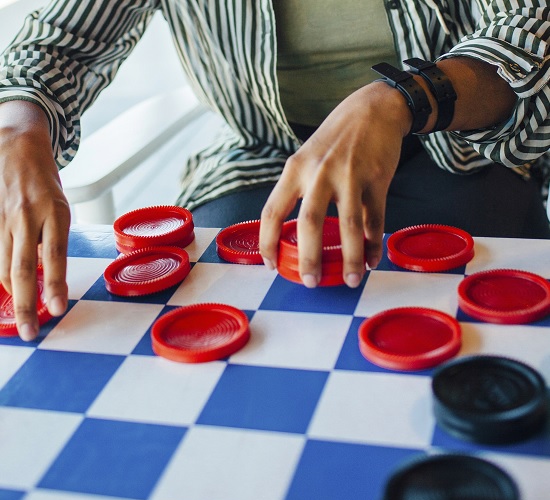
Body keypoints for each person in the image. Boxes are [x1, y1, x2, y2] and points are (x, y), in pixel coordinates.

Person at [1, 0, 549, 341]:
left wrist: (399, 99)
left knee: (479, 313)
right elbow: (56, 44)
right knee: (216, 294)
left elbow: (532, 26)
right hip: (261, 156)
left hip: (452, 146)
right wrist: (17, 130)